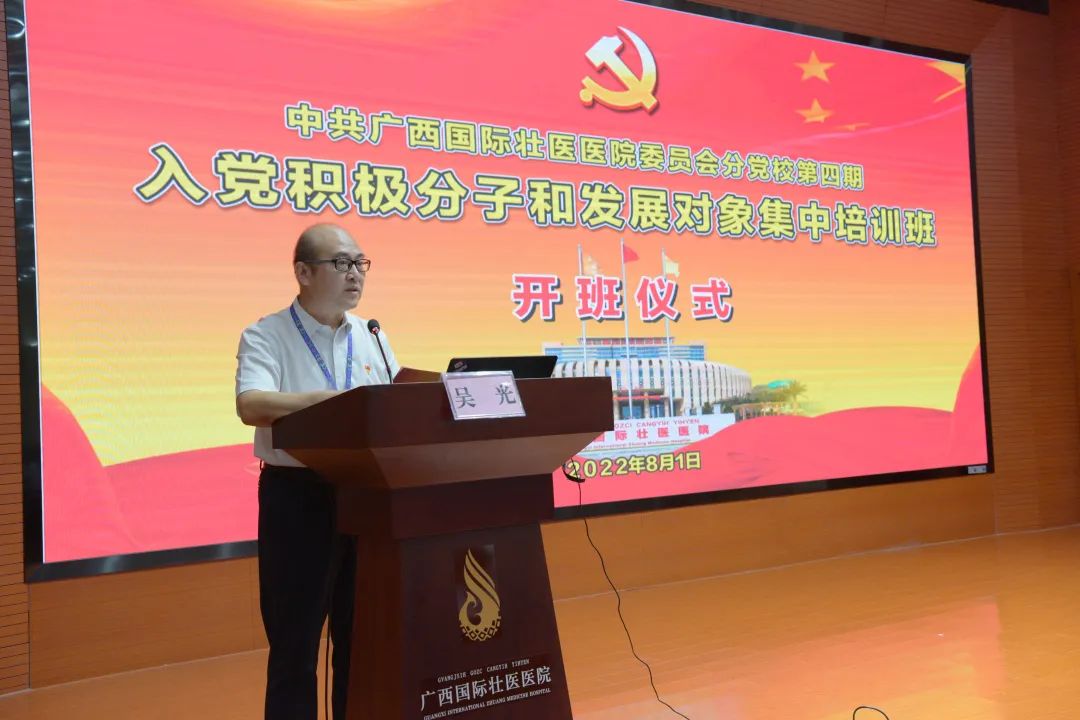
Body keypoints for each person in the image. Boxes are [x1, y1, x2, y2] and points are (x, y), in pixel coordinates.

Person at [234, 222, 400, 720]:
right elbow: (251, 403)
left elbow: (394, 403)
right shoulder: (267, 334)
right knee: (296, 643)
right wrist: (330, 402)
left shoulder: (371, 335)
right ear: (303, 273)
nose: (355, 275)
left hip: (363, 495)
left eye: (360, 264)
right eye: (342, 263)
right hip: (297, 498)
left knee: (360, 636)